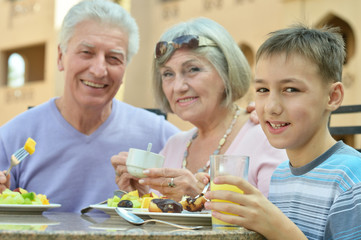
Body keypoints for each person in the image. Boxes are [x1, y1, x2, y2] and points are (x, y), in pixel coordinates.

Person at [0, 0, 179, 213]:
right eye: (86, 52)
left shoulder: (162, 136)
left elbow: (199, 202)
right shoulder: (12, 137)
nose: (98, 70)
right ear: (60, 57)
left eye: (113, 58)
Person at [205, 23, 361, 239]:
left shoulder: (352, 180)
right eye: (263, 90)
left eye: (290, 89)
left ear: (333, 96)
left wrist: (279, 229)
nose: (271, 107)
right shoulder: (280, 176)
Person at [111, 17, 287, 201]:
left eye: (193, 69)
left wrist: (200, 200)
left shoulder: (267, 138)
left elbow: (283, 226)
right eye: (168, 74)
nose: (178, 86)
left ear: (226, 71)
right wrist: (142, 198)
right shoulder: (174, 145)